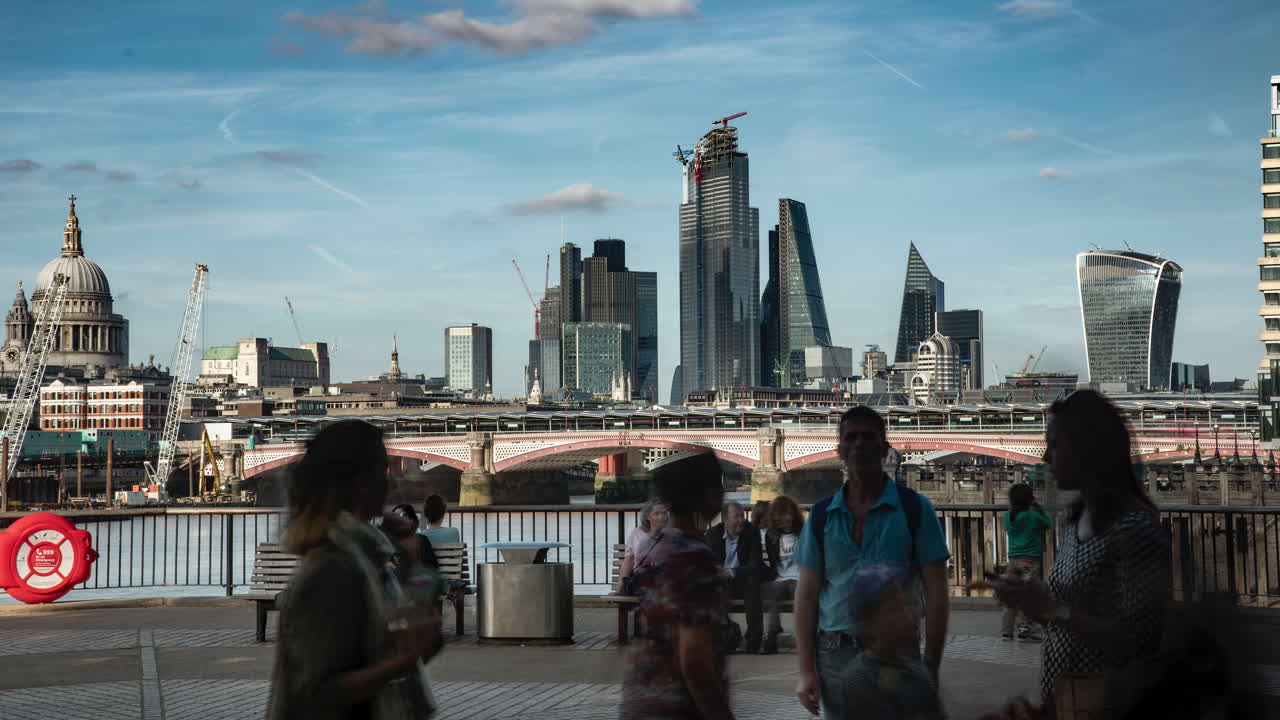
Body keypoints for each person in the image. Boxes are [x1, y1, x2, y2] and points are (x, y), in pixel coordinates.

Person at [979, 390, 1172, 715]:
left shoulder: (1133, 528)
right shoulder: (1074, 521)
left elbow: (1143, 640)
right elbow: (1065, 613)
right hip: (1068, 701)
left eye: (1055, 445)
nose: (1044, 457)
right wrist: (1032, 601)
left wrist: (1052, 609)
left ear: (1088, 449)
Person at [267, 419, 440, 720]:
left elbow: (430, 610)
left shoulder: (371, 555)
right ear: (361, 482)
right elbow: (314, 693)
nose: (392, 482)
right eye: (384, 470)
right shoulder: (330, 570)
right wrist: (401, 662)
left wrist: (409, 551)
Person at [794, 406, 951, 720]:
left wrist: (931, 664)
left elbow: (937, 594)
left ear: (884, 447)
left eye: (868, 437)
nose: (859, 445)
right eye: (850, 438)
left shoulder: (915, 510)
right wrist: (806, 671)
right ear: (839, 449)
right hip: (833, 654)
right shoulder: (821, 516)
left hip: (899, 654)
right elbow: (807, 596)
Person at [621, 451, 735, 720]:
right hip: (678, 705)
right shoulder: (695, 558)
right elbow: (694, 658)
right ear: (706, 495)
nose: (722, 494)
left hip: (643, 696)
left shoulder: (658, 547)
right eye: (718, 485)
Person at [842, 564, 945, 720]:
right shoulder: (860, 680)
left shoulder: (918, 672)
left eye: (903, 605)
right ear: (868, 624)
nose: (905, 614)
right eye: (892, 609)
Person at [705, 501, 766, 654]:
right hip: (721, 582)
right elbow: (707, 564)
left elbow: (755, 565)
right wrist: (717, 572)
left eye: (742, 516)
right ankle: (727, 635)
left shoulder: (752, 532)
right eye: (737, 516)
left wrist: (730, 572)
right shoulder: (713, 534)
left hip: (743, 578)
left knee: (753, 583)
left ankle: (754, 640)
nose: (741, 520)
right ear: (725, 520)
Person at [1000, 484, 1051, 643]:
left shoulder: (1008, 516)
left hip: (1013, 560)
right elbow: (1047, 524)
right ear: (1029, 499)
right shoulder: (1032, 516)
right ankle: (1025, 629)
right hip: (1028, 561)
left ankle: (1007, 632)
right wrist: (1039, 508)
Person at [761, 494, 805, 655]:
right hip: (780, 578)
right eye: (780, 515)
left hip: (800, 578)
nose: (785, 518)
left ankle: (803, 637)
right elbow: (773, 564)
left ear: (793, 514)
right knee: (773, 592)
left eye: (787, 514)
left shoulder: (803, 532)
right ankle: (772, 634)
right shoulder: (771, 536)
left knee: (799, 596)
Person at [615, 498, 669, 594]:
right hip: (642, 581)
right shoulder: (637, 534)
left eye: (664, 513)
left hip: (664, 582)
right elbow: (629, 561)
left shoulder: (672, 534)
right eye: (656, 514)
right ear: (648, 516)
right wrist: (619, 589)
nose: (661, 517)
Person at [392, 503, 440, 571]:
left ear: (412, 520)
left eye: (403, 515)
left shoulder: (422, 540)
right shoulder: (389, 541)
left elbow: (432, 566)